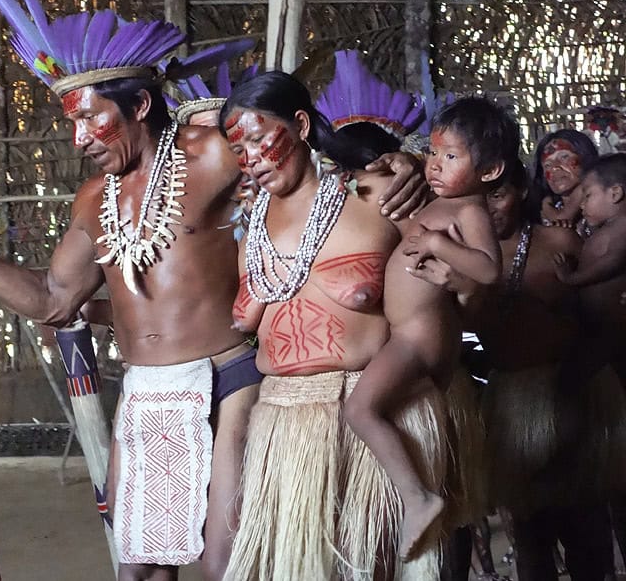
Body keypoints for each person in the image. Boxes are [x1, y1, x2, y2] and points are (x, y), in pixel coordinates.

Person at [0, 0, 425, 580]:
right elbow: (56, 298)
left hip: (227, 378)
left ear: (138, 104)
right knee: (143, 571)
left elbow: (293, 155)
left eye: (91, 119)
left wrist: (395, 165)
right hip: (148, 391)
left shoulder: (211, 155)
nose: (79, 138)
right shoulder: (92, 200)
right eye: (72, 124)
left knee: (224, 562)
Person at [221, 70, 445, 581]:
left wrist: (410, 166)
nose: (250, 159)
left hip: (366, 412)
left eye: (259, 139)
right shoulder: (251, 228)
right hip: (283, 419)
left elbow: (448, 292)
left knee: (373, 566)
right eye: (239, 149)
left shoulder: (376, 194)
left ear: (300, 125)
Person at [425, 159, 619, 581]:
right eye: (479, 197)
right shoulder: (459, 259)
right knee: (531, 533)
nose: (488, 206)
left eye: (497, 194)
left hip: (574, 392)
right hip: (511, 402)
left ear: (521, 192)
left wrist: (578, 380)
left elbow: (600, 321)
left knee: (586, 526)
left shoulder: (560, 242)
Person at [344, 96, 513, 560]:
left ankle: (418, 497)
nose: (435, 166)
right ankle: (417, 497)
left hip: (422, 338)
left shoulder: (468, 213)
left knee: (361, 410)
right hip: (411, 334)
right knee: (364, 410)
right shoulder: (441, 202)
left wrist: (439, 242)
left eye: (450, 157)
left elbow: (488, 271)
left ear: (491, 170)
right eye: (433, 153)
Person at [552, 153, 626, 384]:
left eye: (588, 195)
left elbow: (612, 262)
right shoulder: (607, 227)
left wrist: (573, 278)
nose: (581, 204)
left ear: (615, 193)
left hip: (613, 326)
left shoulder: (623, 227)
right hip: (596, 324)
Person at [528, 129, 599, 237]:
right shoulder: (538, 210)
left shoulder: (601, 200)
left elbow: (562, 218)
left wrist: (546, 208)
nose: (555, 167)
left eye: (564, 157)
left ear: (585, 157)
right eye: (547, 165)